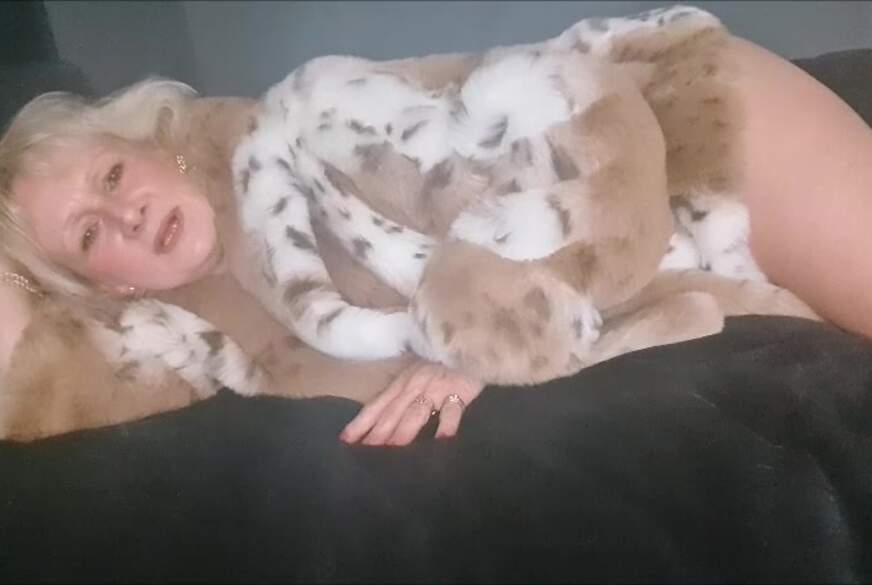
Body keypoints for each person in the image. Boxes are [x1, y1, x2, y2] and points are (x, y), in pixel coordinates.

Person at [1, 12, 871, 444]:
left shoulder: (305, 120)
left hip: (682, 135)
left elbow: (578, 114)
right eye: (88, 234)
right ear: (107, 284)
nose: (124, 212)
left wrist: (481, 330)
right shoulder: (202, 350)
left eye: (111, 177)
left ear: (153, 147)